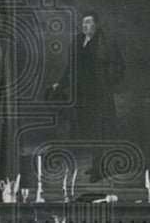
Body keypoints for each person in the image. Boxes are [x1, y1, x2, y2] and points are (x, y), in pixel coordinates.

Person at [50, 12, 125, 180]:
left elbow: (119, 67)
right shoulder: (77, 41)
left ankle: (100, 168)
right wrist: (61, 83)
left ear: (96, 24)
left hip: (99, 94)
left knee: (100, 129)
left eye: (89, 22)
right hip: (83, 95)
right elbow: (71, 67)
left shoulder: (105, 42)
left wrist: (108, 84)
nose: (85, 26)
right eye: (83, 22)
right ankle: (97, 164)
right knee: (90, 129)